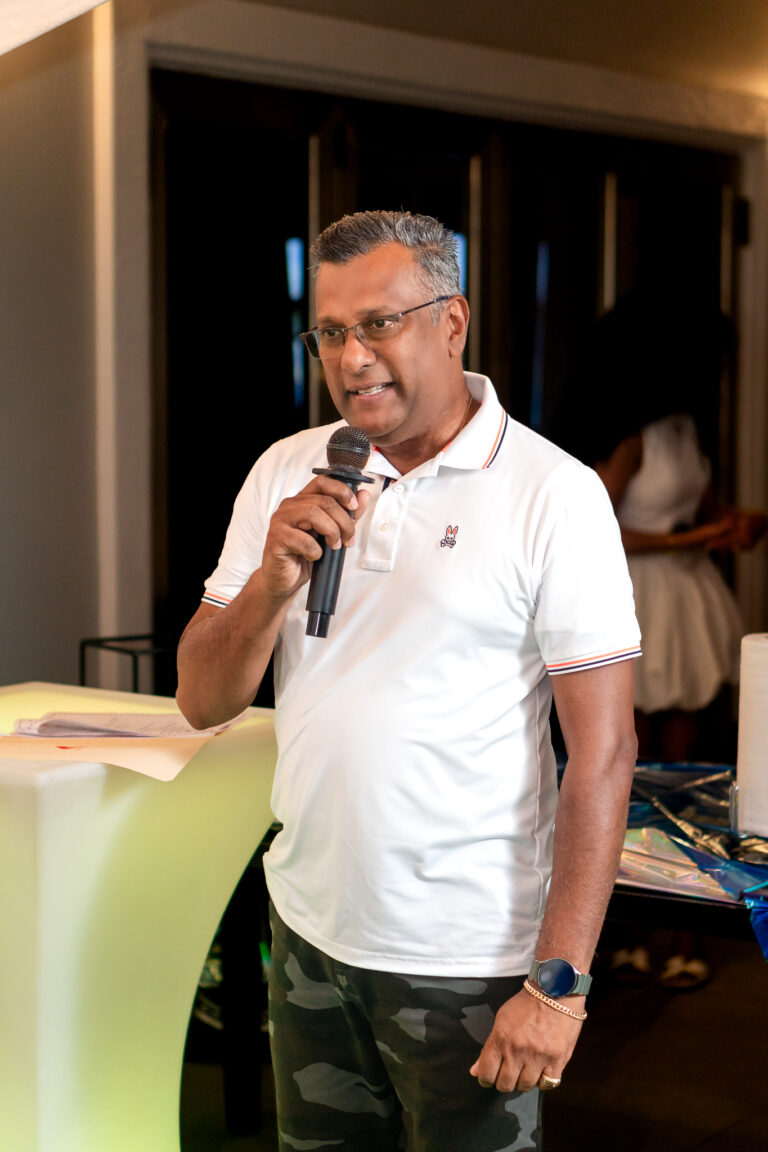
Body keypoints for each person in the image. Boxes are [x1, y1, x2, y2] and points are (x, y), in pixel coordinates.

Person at [176, 210, 640, 1151]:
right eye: (330, 332)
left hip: (468, 960)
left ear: (451, 321)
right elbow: (202, 700)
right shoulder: (285, 471)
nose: (353, 358)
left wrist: (559, 986)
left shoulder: (554, 493)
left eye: (379, 323)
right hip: (308, 932)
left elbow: (604, 752)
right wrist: (272, 581)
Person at [550, 292, 767, 988]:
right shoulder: (628, 437)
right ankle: (631, 926)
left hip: (688, 602)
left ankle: (683, 929)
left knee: (687, 770)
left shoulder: (683, 429)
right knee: (629, 769)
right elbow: (598, 528)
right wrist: (693, 539)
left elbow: (699, 507)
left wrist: (734, 523)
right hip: (638, 599)